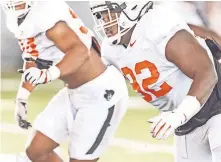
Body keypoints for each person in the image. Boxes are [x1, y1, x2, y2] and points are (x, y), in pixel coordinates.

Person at [90, 1, 221, 162]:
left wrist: (179, 115)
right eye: (99, 16)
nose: (104, 22)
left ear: (130, 7)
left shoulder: (157, 26)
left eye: (108, 14)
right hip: (187, 119)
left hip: (214, 100)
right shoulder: (110, 50)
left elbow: (207, 73)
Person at [2, 1, 128, 162]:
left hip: (100, 92)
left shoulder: (46, 16)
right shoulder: (25, 20)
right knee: (36, 151)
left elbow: (81, 52)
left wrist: (49, 74)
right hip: (73, 91)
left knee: (79, 159)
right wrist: (22, 96)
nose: (14, 4)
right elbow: (31, 56)